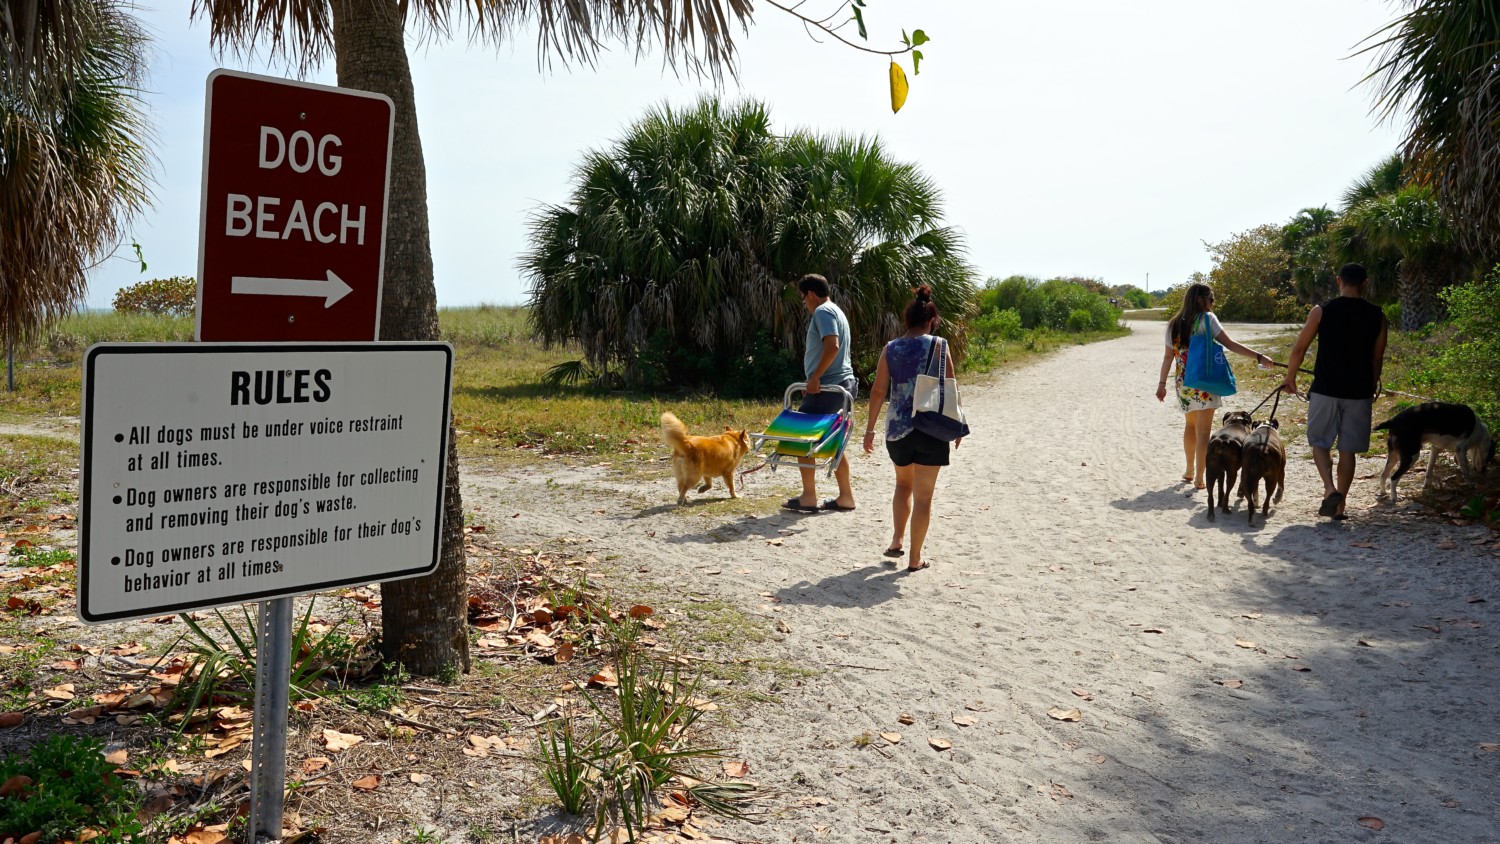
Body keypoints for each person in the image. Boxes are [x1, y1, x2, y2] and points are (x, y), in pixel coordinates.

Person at [863, 286, 960, 571]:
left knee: (902, 484)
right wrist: (956, 426)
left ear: (906, 320)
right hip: (932, 429)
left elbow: (879, 391)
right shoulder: (940, 345)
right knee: (924, 496)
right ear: (932, 320)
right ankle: (915, 559)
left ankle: (896, 540)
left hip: (898, 430)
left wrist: (869, 430)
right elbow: (950, 387)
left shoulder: (890, 348)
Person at [1281, 263, 1388, 520]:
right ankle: (1341, 505)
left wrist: (1290, 377)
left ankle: (1329, 490)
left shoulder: (1322, 310)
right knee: (1347, 449)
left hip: (1326, 388)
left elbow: (1299, 349)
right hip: (1359, 391)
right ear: (1365, 283)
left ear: (1339, 280)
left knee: (1319, 442)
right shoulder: (1378, 315)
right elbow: (1377, 358)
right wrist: (1371, 387)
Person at [1155, 282, 1270, 489]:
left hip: (1184, 382)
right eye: (1211, 299)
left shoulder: (1173, 324)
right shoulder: (1207, 319)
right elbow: (1231, 344)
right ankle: (1200, 477)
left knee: (1190, 425)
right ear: (1201, 299)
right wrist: (1259, 357)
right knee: (1203, 431)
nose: (1212, 303)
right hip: (1205, 380)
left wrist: (1161, 384)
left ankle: (1189, 470)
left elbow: (1167, 357)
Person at [787, 273, 859, 513]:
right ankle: (846, 497)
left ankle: (809, 496)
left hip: (827, 387)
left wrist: (815, 376)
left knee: (801, 439)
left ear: (810, 294)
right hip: (840, 385)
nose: (804, 304)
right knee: (835, 441)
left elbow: (832, 345)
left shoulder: (823, 312)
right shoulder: (837, 311)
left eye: (803, 299)